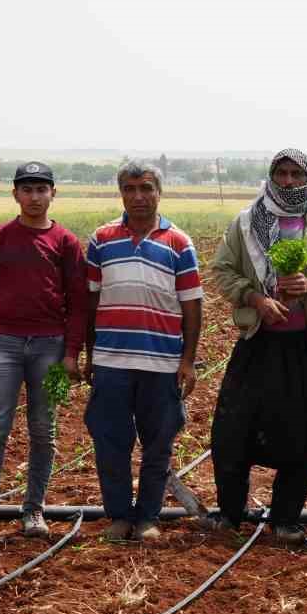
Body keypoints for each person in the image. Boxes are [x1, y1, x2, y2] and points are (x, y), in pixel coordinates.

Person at [209, 149, 307, 546]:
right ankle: (231, 515)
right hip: (258, 345)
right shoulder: (246, 222)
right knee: (232, 431)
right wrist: (255, 299)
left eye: (295, 174)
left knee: (303, 436)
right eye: (281, 173)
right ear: (272, 176)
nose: (287, 181)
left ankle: (286, 518)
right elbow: (223, 270)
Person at [0, 162, 88, 543]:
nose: (35, 197)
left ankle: (34, 510)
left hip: (50, 347)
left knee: (43, 431)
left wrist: (72, 353)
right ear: (15, 194)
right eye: (27, 189)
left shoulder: (66, 242)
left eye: (41, 189)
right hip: (4, 345)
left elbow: (78, 302)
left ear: (53, 193)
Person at [83, 162, 203, 542]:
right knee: (111, 442)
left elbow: (192, 306)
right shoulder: (101, 239)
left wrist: (188, 360)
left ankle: (149, 516)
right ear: (121, 193)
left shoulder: (179, 243)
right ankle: (119, 516)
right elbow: (90, 302)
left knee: (159, 442)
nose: (139, 196)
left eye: (146, 188)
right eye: (131, 188)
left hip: (162, 361)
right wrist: (90, 355)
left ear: (158, 192)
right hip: (111, 360)